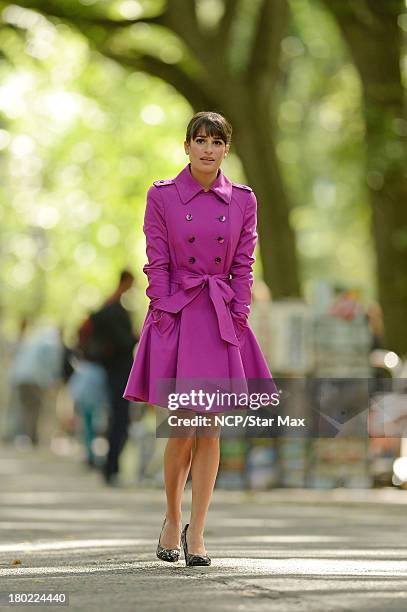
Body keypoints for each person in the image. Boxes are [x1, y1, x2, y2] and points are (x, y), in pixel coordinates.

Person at [123, 111, 278, 566]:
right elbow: (156, 258)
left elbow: (245, 262)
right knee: (181, 428)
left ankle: (199, 532)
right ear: (186, 146)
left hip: (220, 318)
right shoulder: (162, 196)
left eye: (217, 141)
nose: (208, 148)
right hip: (177, 314)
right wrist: (163, 308)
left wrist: (239, 312)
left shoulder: (244, 200)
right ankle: (172, 518)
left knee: (210, 429)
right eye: (200, 140)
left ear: (226, 149)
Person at [86, 270, 138, 485]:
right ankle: (111, 468)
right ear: (125, 282)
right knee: (120, 420)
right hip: (119, 371)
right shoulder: (115, 309)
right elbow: (123, 341)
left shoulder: (108, 306)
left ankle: (110, 467)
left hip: (112, 371)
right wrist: (137, 337)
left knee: (116, 419)